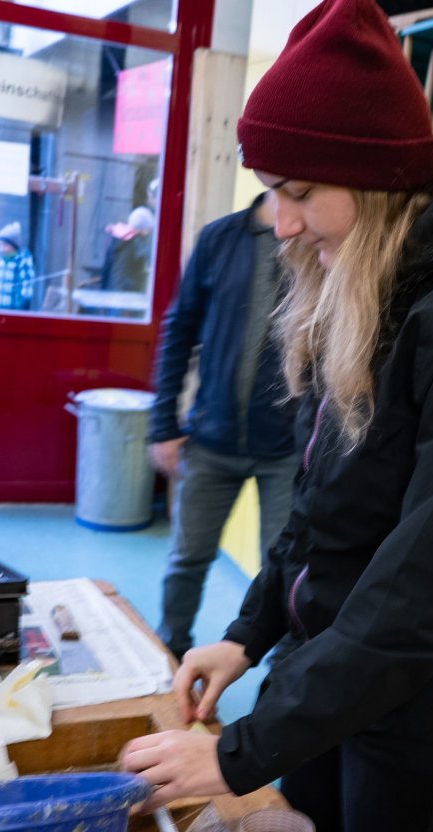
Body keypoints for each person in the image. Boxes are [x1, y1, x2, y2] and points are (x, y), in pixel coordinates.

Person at [120, 2, 433, 832]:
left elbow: (424, 591)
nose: (280, 223)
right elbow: (327, 507)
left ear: (375, 182)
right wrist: (250, 634)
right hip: (335, 691)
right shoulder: (375, 285)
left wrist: (241, 751)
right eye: (272, 191)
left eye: (299, 192)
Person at [148, 191, 298, 661]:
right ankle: (171, 656)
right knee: (186, 559)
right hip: (211, 439)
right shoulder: (219, 239)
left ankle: (282, 681)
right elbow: (178, 329)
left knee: (287, 571)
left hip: (288, 449)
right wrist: (163, 425)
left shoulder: (315, 241)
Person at [100, 205, 154, 292]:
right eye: (148, 228)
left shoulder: (119, 238)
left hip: (113, 291)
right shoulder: (132, 243)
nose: (150, 232)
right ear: (142, 228)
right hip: (124, 294)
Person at [0, 222, 35, 310]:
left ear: (13, 246)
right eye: (0, 245)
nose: (1, 249)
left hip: (14, 308)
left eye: (5, 245)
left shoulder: (22, 260)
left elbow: (27, 284)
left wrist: (24, 303)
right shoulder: (0, 260)